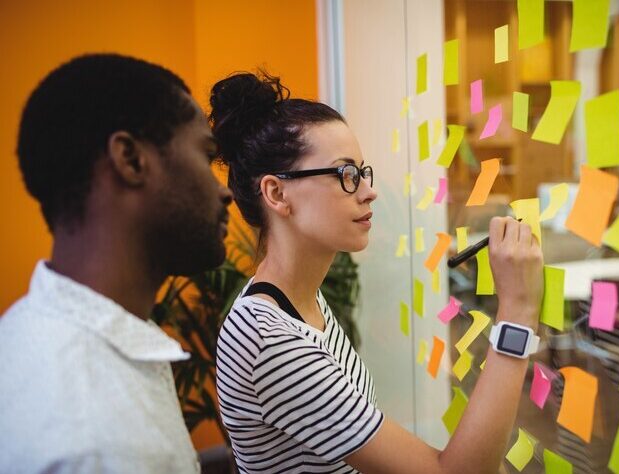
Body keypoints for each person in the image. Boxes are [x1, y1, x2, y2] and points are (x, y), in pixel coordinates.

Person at [210, 71, 544, 474]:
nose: (368, 191)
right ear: (277, 194)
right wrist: (518, 311)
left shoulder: (301, 300)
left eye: (361, 173)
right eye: (345, 175)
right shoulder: (268, 339)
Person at [0, 53, 234, 473]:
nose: (225, 192)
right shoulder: (97, 442)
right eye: (206, 155)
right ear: (130, 159)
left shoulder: (27, 332)